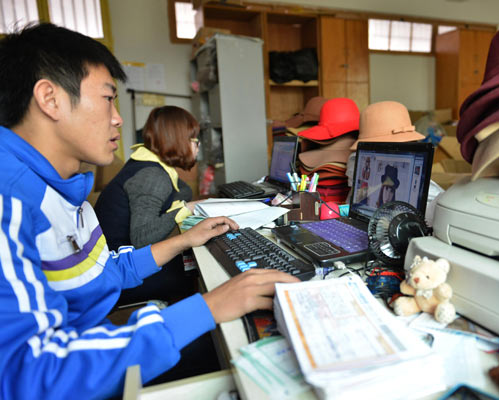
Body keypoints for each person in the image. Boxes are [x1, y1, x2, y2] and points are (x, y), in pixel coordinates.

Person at [0, 22, 299, 400]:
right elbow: (26, 375)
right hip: (78, 368)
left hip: (91, 346)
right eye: (108, 98)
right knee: (245, 351)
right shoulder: (9, 203)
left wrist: (185, 240)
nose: (118, 118)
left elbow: (105, 271)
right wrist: (208, 306)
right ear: (50, 98)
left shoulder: (65, 188)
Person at [95, 105, 203, 306]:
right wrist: (185, 209)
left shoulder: (147, 165)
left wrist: (184, 202)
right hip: (120, 274)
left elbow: (182, 189)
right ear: (177, 139)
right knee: (196, 269)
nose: (197, 146)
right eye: (193, 139)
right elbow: (143, 239)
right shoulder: (152, 176)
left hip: (118, 264)